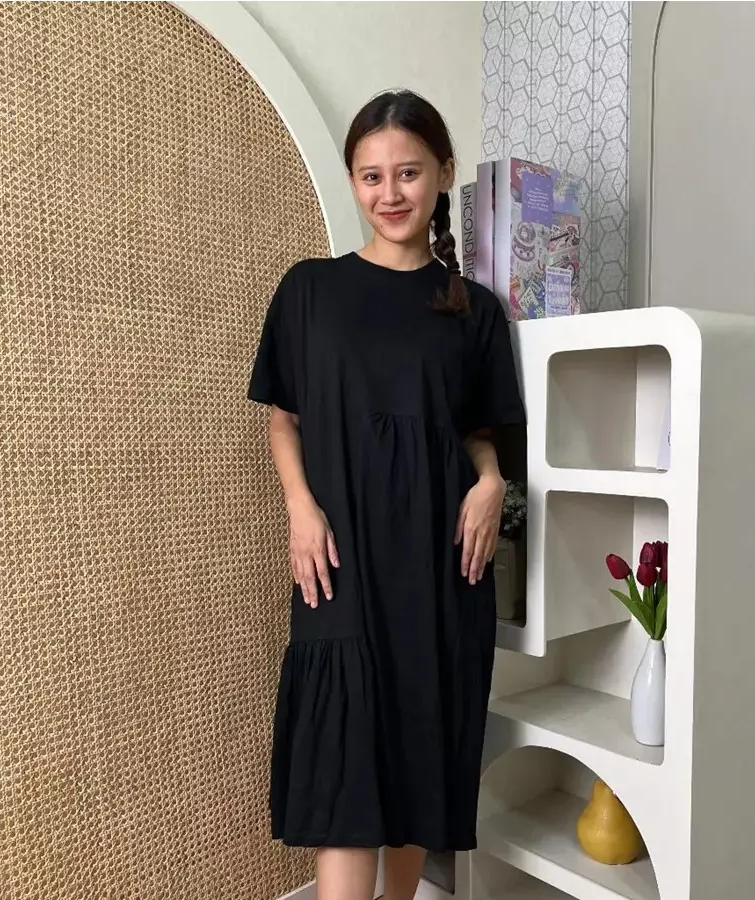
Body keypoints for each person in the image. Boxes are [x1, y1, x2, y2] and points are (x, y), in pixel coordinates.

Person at [247, 89, 525, 900]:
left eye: (408, 172)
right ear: (353, 181)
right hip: (340, 556)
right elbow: (284, 419)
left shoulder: (473, 310)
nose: (390, 192)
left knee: (418, 758)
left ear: (442, 173)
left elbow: (474, 431)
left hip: (439, 565)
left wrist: (490, 480)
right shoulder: (310, 291)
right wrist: (300, 509)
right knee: (345, 763)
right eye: (372, 176)